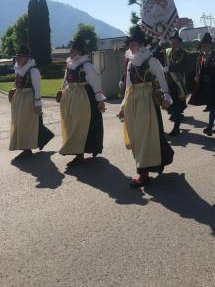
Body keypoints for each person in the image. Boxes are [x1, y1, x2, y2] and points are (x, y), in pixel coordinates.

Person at [117, 26, 174, 188]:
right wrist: (123, 106)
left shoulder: (151, 60)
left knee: (145, 136)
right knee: (136, 136)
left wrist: (166, 95)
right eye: (130, 45)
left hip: (147, 100)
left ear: (141, 45)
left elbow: (162, 80)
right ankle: (153, 163)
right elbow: (128, 86)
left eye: (134, 44)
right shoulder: (130, 63)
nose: (131, 47)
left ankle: (143, 173)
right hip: (133, 100)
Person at [57, 36, 106, 166]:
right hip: (71, 97)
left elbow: (96, 83)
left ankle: (80, 154)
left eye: (72, 51)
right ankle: (79, 151)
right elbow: (67, 81)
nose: (70, 53)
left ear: (79, 52)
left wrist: (100, 100)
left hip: (85, 97)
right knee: (72, 123)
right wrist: (62, 91)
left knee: (82, 124)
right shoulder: (70, 64)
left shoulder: (87, 66)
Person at [9, 45, 54, 159]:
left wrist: (38, 104)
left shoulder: (33, 71)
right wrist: (13, 90)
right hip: (19, 98)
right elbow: (17, 83)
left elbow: (37, 88)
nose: (18, 59)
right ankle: (42, 138)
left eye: (20, 57)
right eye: (17, 57)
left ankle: (27, 149)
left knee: (26, 124)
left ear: (27, 58)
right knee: (19, 123)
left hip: (28, 98)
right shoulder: (19, 69)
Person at [189, 32, 215, 136]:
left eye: (206, 45)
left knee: (212, 106)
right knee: (212, 106)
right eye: (203, 46)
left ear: (211, 45)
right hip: (205, 86)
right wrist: (197, 76)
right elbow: (199, 70)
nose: (204, 47)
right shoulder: (200, 57)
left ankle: (210, 127)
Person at [164, 29, 189, 136]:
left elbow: (180, 66)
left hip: (178, 84)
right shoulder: (167, 51)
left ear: (179, 42)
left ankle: (176, 128)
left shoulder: (183, 53)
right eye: (172, 41)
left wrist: (169, 68)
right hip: (168, 83)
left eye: (175, 41)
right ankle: (177, 120)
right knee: (170, 106)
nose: (173, 43)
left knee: (177, 107)